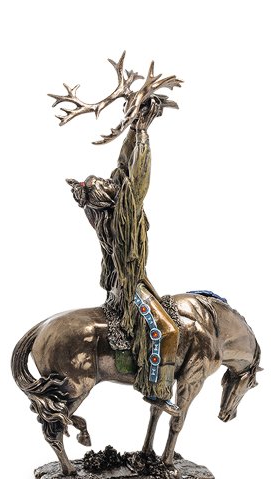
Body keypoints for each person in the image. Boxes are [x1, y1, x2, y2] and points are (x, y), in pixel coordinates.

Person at [67, 98, 180, 416]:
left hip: (119, 285)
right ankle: (157, 390)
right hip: (130, 288)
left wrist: (134, 129)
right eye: (105, 184)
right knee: (167, 331)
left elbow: (122, 169)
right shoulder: (123, 218)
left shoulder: (107, 211)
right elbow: (136, 178)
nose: (111, 181)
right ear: (106, 198)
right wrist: (142, 133)